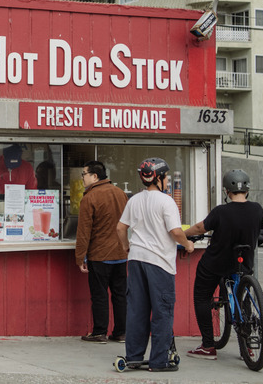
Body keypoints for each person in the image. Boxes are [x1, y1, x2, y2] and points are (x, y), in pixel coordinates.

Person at [116, 157, 194, 372]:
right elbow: (175, 232)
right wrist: (187, 244)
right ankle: (159, 362)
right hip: (159, 263)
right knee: (162, 312)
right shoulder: (166, 201)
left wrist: (126, 247)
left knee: (137, 311)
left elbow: (121, 228)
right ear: (158, 177)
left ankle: (133, 357)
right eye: (166, 176)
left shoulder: (134, 200)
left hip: (136, 260)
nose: (168, 180)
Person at [184, 169, 263, 360]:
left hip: (216, 263)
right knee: (242, 296)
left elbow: (199, 228)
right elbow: (259, 228)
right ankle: (247, 345)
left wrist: (182, 234)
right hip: (243, 264)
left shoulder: (221, 211)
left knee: (202, 297)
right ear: (247, 189)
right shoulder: (257, 210)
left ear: (226, 191)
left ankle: (208, 346)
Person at [75, 160, 129, 343]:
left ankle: (99, 332)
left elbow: (84, 232)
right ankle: (121, 332)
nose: (82, 178)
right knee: (120, 295)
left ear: (95, 176)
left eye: (84, 174)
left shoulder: (89, 197)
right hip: (121, 255)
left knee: (100, 295)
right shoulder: (121, 193)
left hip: (100, 255)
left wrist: (80, 256)